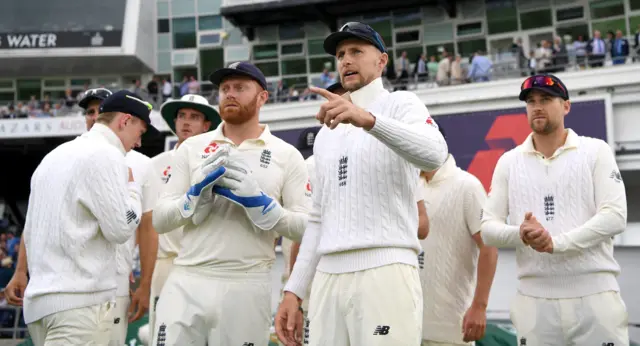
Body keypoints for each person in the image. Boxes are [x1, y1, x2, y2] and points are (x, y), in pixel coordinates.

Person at [276, 22, 448, 346]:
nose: (345, 60)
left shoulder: (402, 104)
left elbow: (435, 154)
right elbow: (318, 218)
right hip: (328, 279)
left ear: (382, 61)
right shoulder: (326, 134)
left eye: (356, 51)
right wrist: (294, 291)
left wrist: (367, 120)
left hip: (386, 270)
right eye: (340, 54)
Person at [151, 62, 311, 345]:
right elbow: (160, 220)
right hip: (188, 276)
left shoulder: (287, 155)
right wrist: (192, 200)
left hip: (247, 282)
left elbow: (308, 228)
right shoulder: (192, 148)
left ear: (262, 97)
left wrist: (264, 207)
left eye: (240, 87)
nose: (229, 94)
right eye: (225, 89)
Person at [481, 74, 628, 345]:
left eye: (546, 99)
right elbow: (488, 229)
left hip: (595, 298)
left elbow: (615, 217)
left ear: (566, 106)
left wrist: (555, 244)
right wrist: (521, 234)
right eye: (531, 101)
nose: (537, 106)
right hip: (534, 303)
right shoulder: (508, 162)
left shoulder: (596, 151)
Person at [20, 90, 155, 345]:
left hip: (39, 303)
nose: (138, 143)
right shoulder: (107, 154)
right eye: (140, 131)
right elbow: (121, 229)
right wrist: (133, 189)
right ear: (125, 121)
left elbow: (30, 229)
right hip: (79, 306)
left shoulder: (54, 155)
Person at [78, 88, 155, 345]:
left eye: (100, 110)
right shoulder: (69, 154)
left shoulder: (143, 163)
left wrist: (145, 283)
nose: (94, 116)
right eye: (89, 111)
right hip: (74, 282)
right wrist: (21, 269)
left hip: (116, 280)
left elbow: (147, 228)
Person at [144, 93, 220, 342]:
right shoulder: (155, 165)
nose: (186, 122)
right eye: (182, 116)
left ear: (206, 125)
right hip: (165, 263)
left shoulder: (216, 161)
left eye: (194, 117)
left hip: (205, 262)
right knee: (162, 334)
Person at [419, 125, 498, 345]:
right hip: (407, 327)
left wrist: (480, 307)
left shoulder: (467, 186)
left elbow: (489, 246)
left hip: (450, 330)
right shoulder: (410, 187)